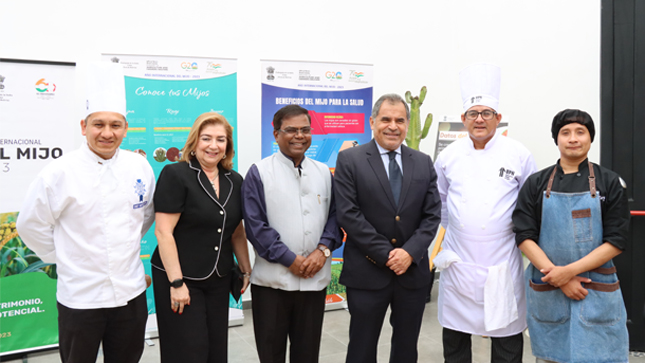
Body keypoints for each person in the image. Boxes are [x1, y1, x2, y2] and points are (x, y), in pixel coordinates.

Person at [16, 62, 155, 363]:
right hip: (80, 298)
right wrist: (63, 256)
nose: (107, 133)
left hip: (130, 294)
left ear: (126, 129)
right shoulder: (58, 172)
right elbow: (29, 225)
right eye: (98, 124)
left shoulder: (140, 166)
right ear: (83, 127)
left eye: (115, 125)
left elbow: (144, 217)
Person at [433, 63, 536, 363]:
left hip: (501, 261)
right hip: (459, 261)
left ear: (498, 118)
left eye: (486, 113)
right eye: (473, 114)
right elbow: (441, 204)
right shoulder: (448, 156)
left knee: (506, 340)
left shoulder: (518, 153)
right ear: (463, 119)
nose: (479, 120)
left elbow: (528, 206)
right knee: (454, 341)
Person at [512, 109, 630, 363]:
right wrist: (558, 276)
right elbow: (524, 235)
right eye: (565, 133)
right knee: (551, 357)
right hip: (549, 282)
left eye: (580, 132)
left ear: (590, 138)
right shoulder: (536, 183)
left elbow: (616, 240)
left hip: (595, 288)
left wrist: (568, 272)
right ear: (557, 140)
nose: (573, 138)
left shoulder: (609, 182)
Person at [334, 94, 442, 363]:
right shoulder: (350, 160)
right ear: (372, 122)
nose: (393, 126)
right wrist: (387, 254)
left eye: (400, 120)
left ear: (407, 125)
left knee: (406, 349)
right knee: (361, 347)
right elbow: (349, 214)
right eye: (386, 119)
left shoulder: (422, 161)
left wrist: (409, 253)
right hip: (367, 272)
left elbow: (432, 215)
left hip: (412, 274)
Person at [241, 104, 342, 363]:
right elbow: (255, 226)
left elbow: (334, 218)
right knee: (271, 354)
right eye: (291, 130)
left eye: (305, 130)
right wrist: (290, 260)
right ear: (276, 134)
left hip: (314, 281)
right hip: (272, 285)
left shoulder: (323, 172)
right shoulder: (259, 172)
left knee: (307, 354)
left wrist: (323, 251)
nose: (299, 135)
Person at [151, 112, 252, 363]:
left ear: (227, 145)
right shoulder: (176, 174)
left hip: (218, 277)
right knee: (187, 349)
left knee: (216, 347)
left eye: (221, 139)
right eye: (206, 138)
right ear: (195, 141)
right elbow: (164, 232)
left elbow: (236, 230)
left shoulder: (234, 180)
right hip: (181, 276)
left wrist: (246, 268)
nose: (213, 146)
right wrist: (176, 284)